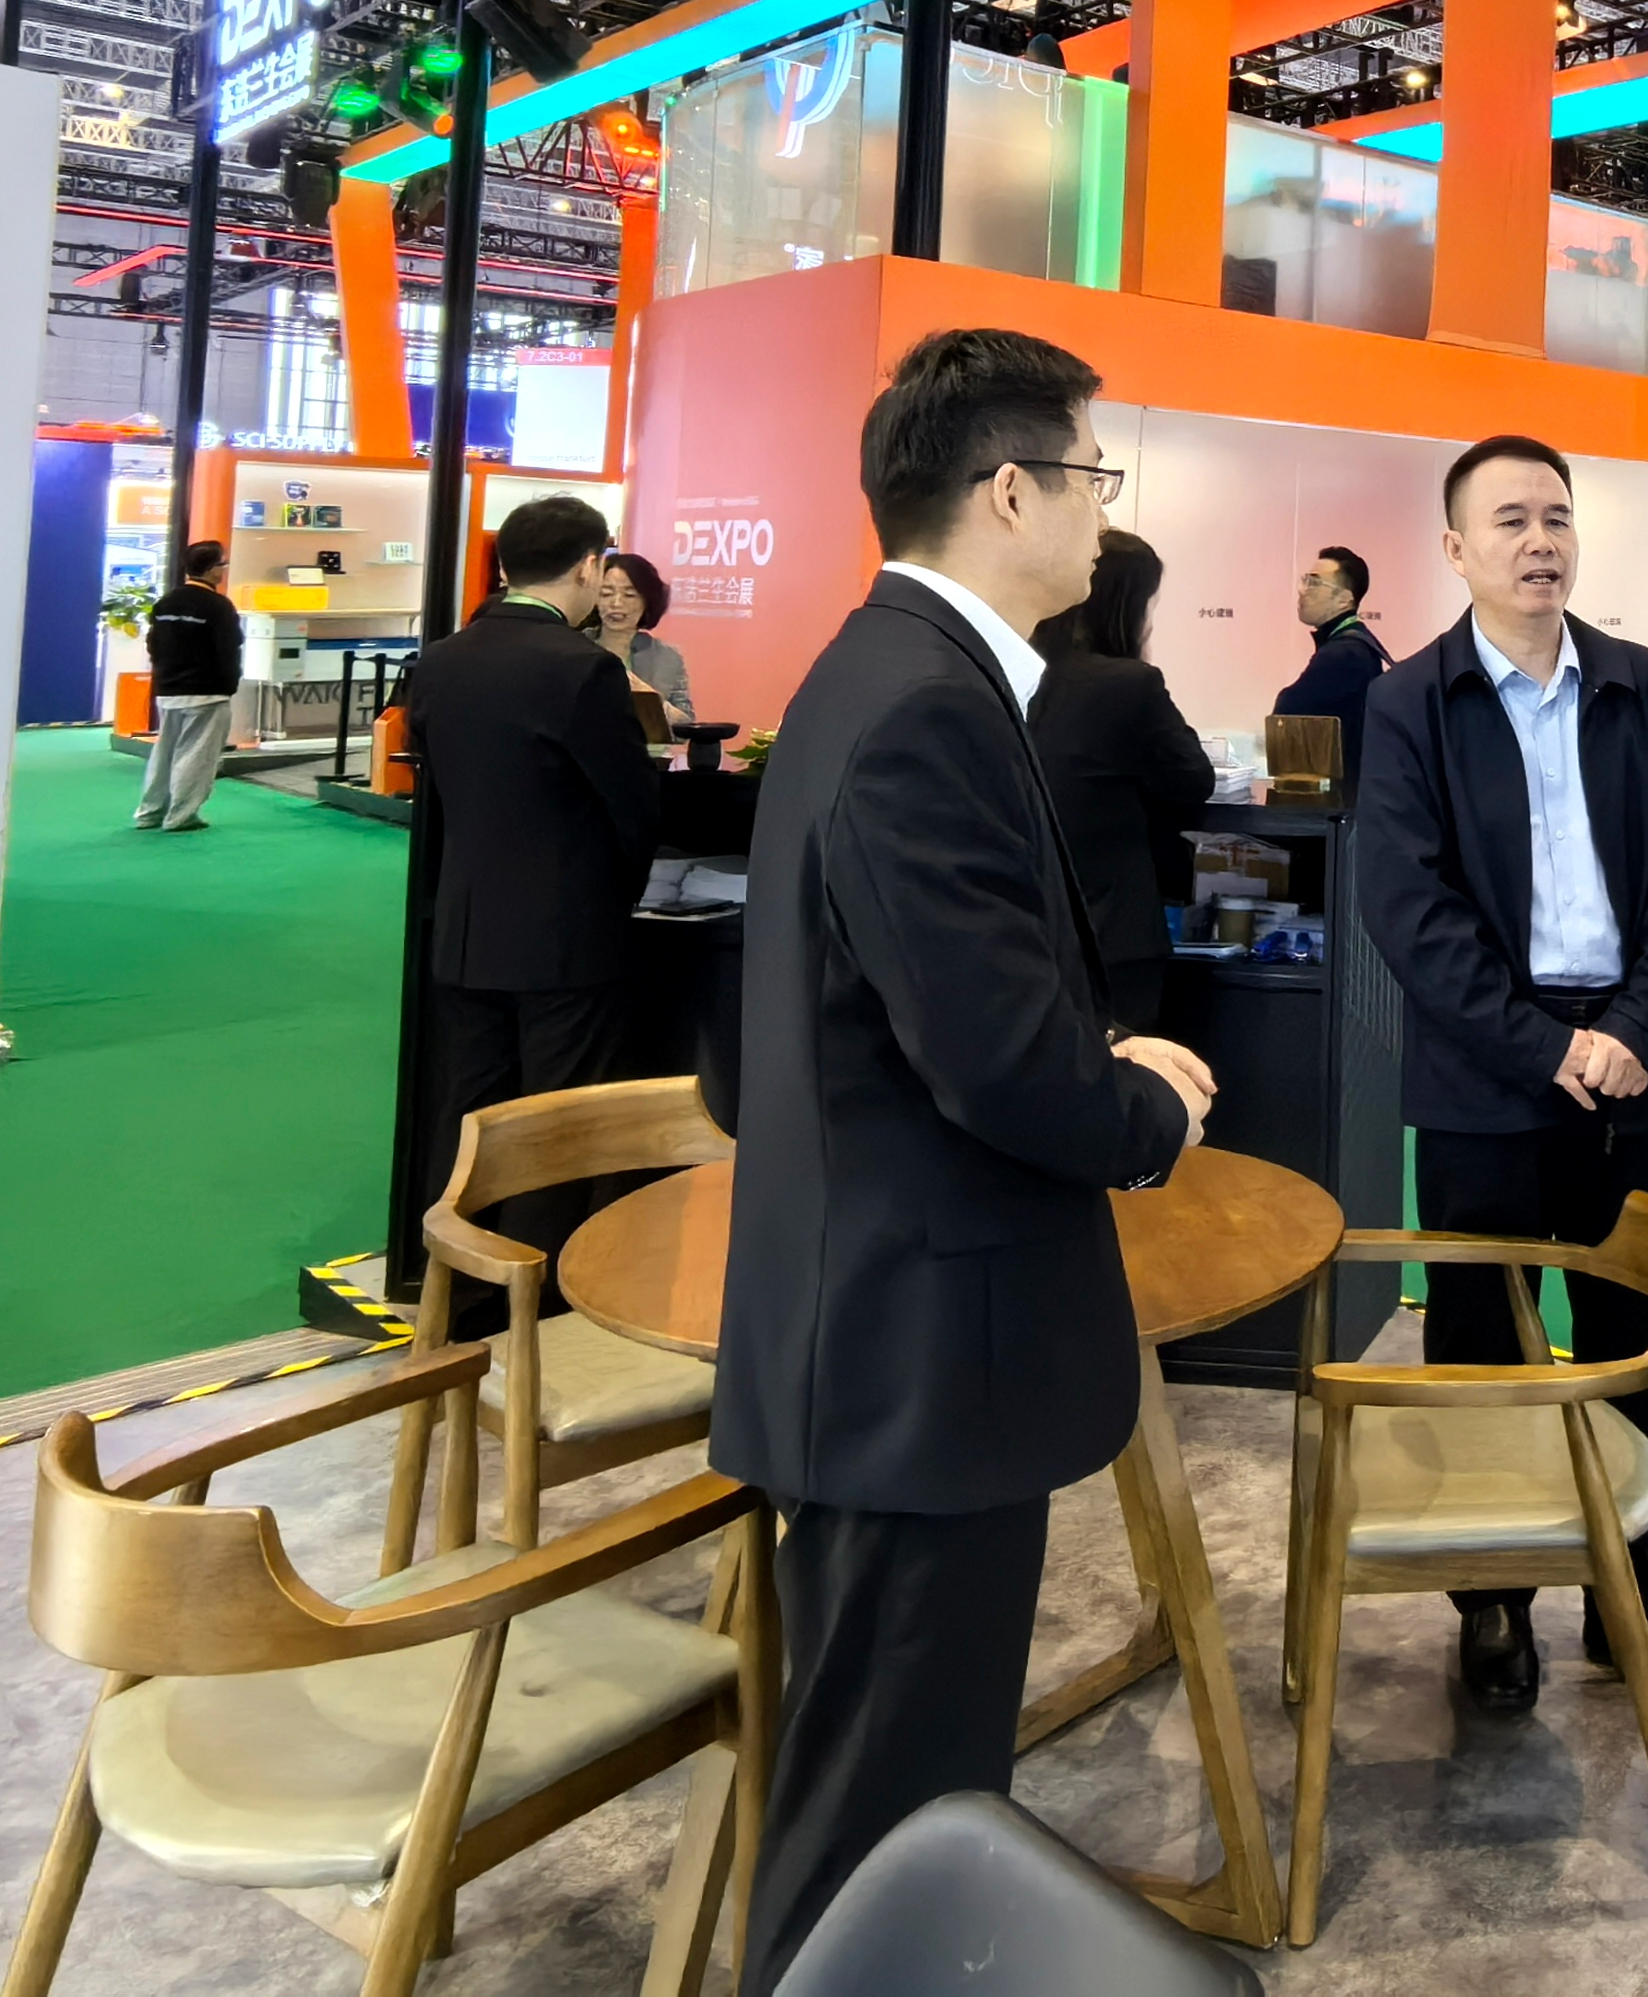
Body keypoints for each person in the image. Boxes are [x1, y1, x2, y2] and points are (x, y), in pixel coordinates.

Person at [710, 329, 1217, 1996]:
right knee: (885, 1825)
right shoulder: (926, 705)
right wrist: (1144, 1109)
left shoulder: (884, 671)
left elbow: (826, 1019)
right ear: (1010, 490)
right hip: (917, 1354)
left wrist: (1079, 1051)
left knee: (898, 1777)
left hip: (884, 1329)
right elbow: (995, 1061)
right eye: (1090, 476)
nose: (1101, 514)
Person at [1356, 435, 1648, 1711]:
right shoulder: (1410, 701)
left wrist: (1634, 1027)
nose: (1541, 540)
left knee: (1633, 1335)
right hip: (1488, 1069)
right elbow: (1407, 907)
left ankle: (1640, 1593)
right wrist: (1545, 1046)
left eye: (1557, 516)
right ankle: (1492, 1602)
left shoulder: (1642, 686)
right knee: (1481, 1337)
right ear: (1455, 547)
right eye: (1510, 519)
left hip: (1630, 1066)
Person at [405, 494, 660, 1277]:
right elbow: (632, 807)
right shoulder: (583, 669)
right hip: (565, 933)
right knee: (556, 1119)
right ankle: (537, 1287)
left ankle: (460, 1280)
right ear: (587, 566)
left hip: (465, 924)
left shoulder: (440, 660)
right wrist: (619, 896)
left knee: (471, 1112)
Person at [1024, 528, 1217, 1031]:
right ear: (1126, 606)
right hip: (1113, 934)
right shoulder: (1129, 685)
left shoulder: (1011, 671)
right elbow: (1193, 779)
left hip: (1023, 928)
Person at [135, 540, 241, 832]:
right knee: (197, 755)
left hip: (168, 689)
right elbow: (228, 650)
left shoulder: (167, 602)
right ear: (211, 569)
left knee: (164, 753)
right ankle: (181, 816)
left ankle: (150, 813)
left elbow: (154, 644)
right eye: (222, 564)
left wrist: (164, 675)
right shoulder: (219, 606)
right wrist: (228, 685)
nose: (224, 570)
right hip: (207, 692)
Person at [1274, 544, 1389, 773]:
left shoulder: (1345, 655)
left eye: (1315, 583)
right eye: (1305, 580)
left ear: (1344, 599)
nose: (1303, 590)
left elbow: (1288, 711)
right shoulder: (1355, 645)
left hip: (1340, 790)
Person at [591, 549, 693, 725]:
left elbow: (686, 727)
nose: (616, 603)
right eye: (606, 593)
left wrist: (649, 700)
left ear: (647, 601)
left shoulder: (667, 657)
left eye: (629, 595)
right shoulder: (573, 647)